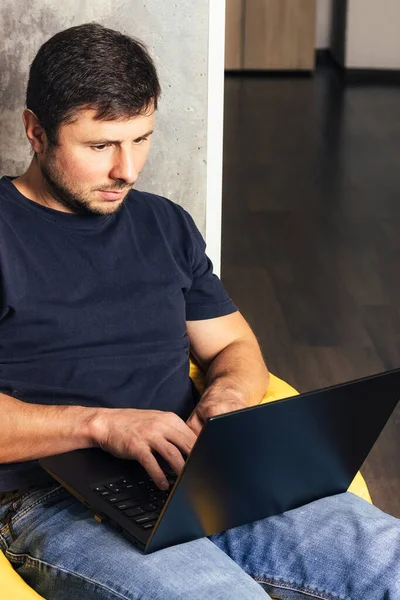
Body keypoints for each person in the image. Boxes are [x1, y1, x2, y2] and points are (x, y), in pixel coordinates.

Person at [0, 22, 398, 600]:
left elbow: (234, 348)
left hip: (203, 479)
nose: (127, 171)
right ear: (36, 132)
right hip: (56, 500)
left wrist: (228, 400)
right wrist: (102, 424)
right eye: (99, 146)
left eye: (141, 139)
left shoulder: (163, 224)